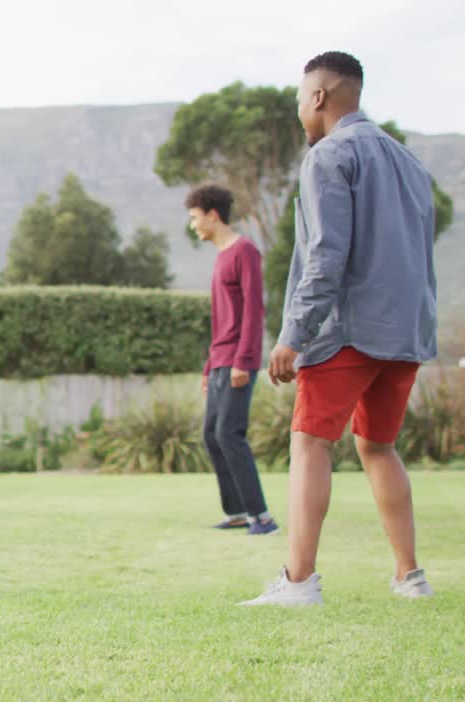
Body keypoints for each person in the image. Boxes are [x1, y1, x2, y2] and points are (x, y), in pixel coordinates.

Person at [243, 51, 437, 606]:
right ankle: (410, 577)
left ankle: (299, 582)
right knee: (378, 446)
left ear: (319, 97)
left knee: (309, 442)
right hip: (406, 331)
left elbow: (325, 256)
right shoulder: (408, 161)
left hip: (348, 329)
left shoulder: (328, 155)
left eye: (299, 99)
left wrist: (293, 334)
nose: (299, 110)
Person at [186, 185, 276, 536]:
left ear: (212, 215)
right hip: (220, 359)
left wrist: (244, 360)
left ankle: (262, 517)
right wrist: (209, 367)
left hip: (239, 360)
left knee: (229, 433)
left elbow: (254, 310)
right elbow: (220, 321)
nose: (193, 225)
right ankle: (237, 511)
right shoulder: (221, 256)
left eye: (195, 218)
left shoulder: (244, 252)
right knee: (212, 435)